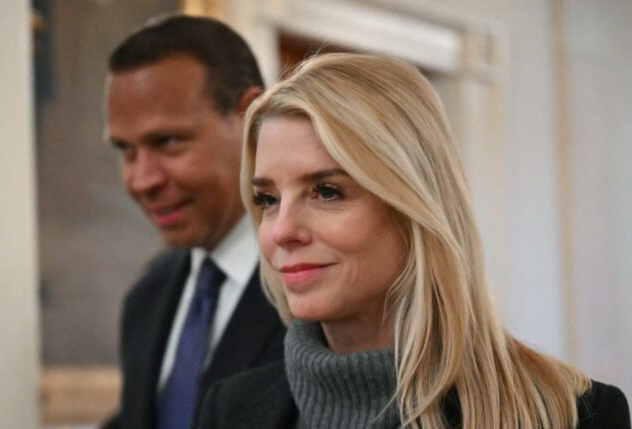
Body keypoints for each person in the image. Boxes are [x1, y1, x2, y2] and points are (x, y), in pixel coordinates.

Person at [197, 53, 630, 428]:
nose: (280, 230)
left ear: (415, 206)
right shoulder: (229, 408)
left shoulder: (575, 415)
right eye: (267, 199)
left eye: (327, 191)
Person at [102, 15, 285, 429]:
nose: (142, 179)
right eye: (126, 151)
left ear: (250, 117)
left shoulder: (322, 286)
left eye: (167, 142)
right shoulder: (146, 297)